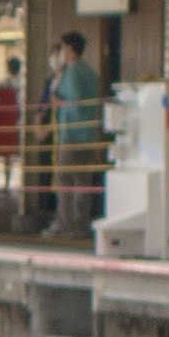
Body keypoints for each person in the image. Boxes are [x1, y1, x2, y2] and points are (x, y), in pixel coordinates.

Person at [45, 31, 107, 234]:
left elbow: (75, 104)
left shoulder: (72, 73)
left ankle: (64, 223)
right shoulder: (90, 72)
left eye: (63, 48)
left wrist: (58, 102)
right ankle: (81, 224)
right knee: (83, 183)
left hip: (71, 134)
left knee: (64, 181)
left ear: (70, 49)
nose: (61, 53)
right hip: (88, 135)